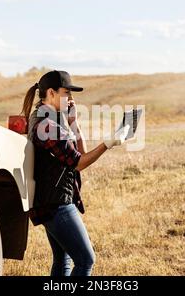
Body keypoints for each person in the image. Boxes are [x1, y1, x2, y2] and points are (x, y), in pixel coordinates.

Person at [21, 70, 129, 276]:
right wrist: (108, 143)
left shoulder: (49, 119)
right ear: (51, 93)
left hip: (51, 201)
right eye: (66, 93)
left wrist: (74, 122)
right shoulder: (47, 125)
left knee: (63, 259)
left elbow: (81, 151)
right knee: (86, 260)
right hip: (57, 204)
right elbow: (79, 163)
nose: (70, 98)